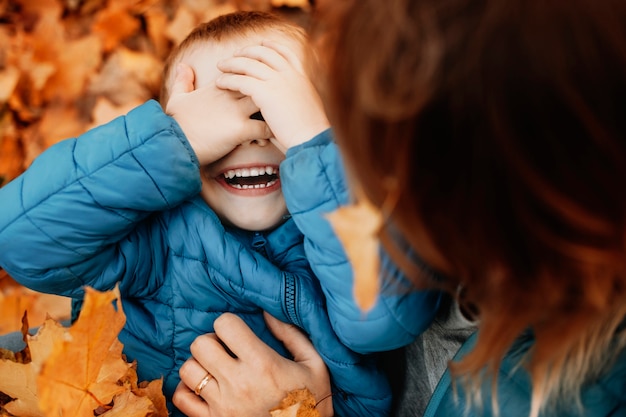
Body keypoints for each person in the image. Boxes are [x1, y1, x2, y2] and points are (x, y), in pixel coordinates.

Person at [172, 0, 626, 416]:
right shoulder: (455, 233)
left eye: (365, 139)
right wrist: (162, 142)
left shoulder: (542, 400)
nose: (338, 153)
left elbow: (375, 320)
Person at [0, 10, 437, 417]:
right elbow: (21, 241)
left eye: (276, 110)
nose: (250, 135)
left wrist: (311, 143)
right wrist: (178, 141)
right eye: (218, 115)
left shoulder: (336, 230)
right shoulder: (155, 234)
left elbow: (383, 317)